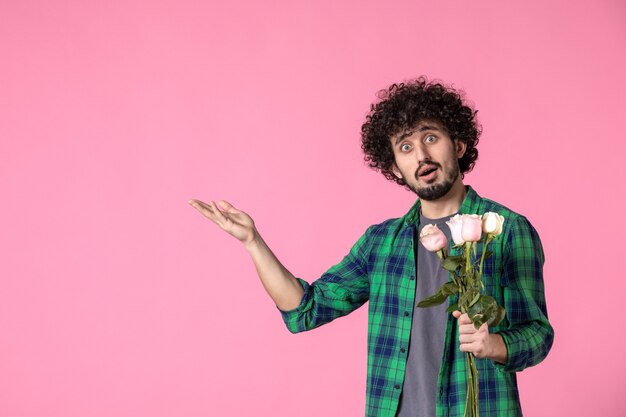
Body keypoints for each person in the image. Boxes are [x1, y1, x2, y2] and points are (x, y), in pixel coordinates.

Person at [189, 77, 554, 417]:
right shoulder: (381, 244)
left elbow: (537, 333)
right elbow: (305, 310)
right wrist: (253, 242)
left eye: (431, 138)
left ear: (458, 145)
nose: (420, 156)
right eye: (405, 147)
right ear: (395, 168)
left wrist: (495, 346)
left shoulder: (504, 230)